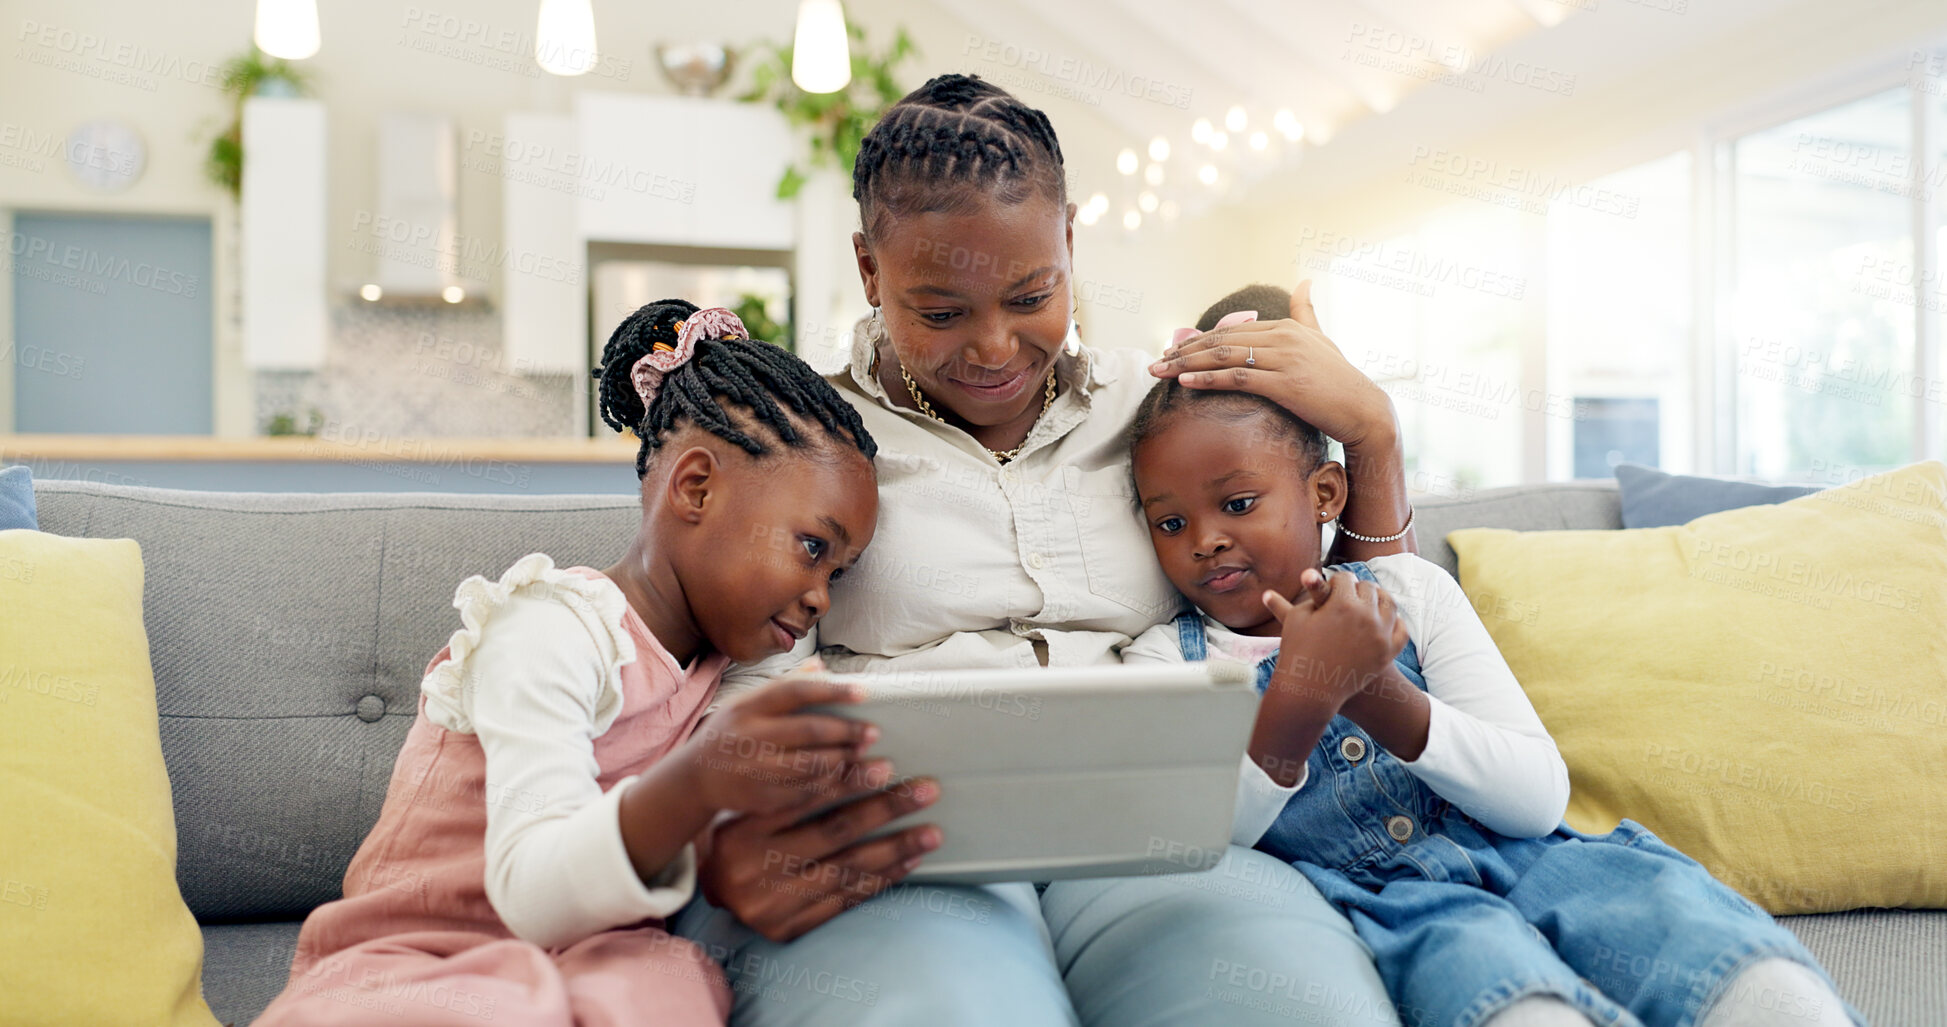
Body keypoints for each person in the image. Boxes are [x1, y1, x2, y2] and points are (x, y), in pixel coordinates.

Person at [670, 74, 1420, 1026]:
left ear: (1069, 241)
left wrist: (1374, 438)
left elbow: (1352, 605)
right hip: (900, 847)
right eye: (939, 311)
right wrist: (736, 838)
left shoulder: (1170, 410)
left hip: (1163, 837)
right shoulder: (802, 438)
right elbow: (750, 673)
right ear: (869, 270)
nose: (992, 347)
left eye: (1032, 295)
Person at [1119, 304, 1860, 1027]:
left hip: (1543, 859)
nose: (1206, 540)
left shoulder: (1411, 591)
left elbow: (1536, 798)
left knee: (1723, 958)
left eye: (1238, 502)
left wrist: (1381, 698)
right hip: (1404, 910)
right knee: (1505, 996)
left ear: (1324, 493)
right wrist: (1300, 697)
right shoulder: (1163, 660)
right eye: (1171, 522)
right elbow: (1198, 839)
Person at [255, 301, 887, 1025]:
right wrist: (703, 777)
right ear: (695, 488)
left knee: (670, 983)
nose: (819, 599)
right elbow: (531, 887)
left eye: (838, 572)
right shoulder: (550, 628)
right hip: (427, 951)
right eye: (812, 547)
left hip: (591, 953)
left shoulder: (733, 662)